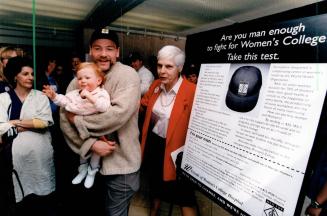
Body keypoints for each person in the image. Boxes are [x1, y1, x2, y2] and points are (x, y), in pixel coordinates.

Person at [59, 28, 141, 216]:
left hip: (122, 164)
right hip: (88, 162)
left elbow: (116, 116)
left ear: (117, 52)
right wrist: (91, 143)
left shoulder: (128, 75)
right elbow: (64, 120)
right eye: (98, 48)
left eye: (109, 49)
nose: (103, 54)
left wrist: (77, 120)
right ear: (90, 50)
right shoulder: (80, 77)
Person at [140, 45, 198, 216]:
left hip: (178, 152)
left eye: (169, 66)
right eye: (159, 66)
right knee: (156, 185)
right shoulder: (156, 85)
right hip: (155, 145)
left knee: (184, 196)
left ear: (180, 68)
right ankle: (154, 212)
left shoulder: (192, 91)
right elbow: (144, 104)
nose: (162, 71)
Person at [43, 62, 114, 189]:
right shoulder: (75, 93)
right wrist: (54, 97)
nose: (83, 81)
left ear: (98, 80)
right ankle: (82, 170)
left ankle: (92, 171)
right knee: (83, 148)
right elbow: (64, 101)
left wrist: (90, 97)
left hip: (96, 127)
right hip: (79, 127)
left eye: (87, 78)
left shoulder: (101, 93)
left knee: (96, 151)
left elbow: (104, 107)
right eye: (80, 78)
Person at [0, 56, 55, 215]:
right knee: (17, 199)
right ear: (15, 76)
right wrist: (30, 123)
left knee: (42, 198)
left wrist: (14, 122)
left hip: (39, 159)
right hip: (11, 160)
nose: (30, 77)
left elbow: (44, 122)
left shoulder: (40, 97)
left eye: (32, 74)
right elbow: (1, 127)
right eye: (25, 74)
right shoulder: (3, 99)